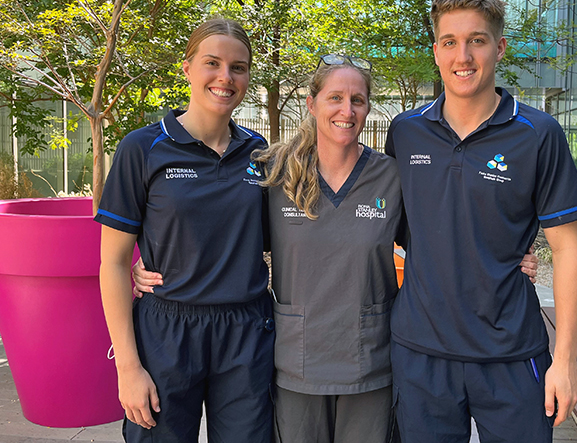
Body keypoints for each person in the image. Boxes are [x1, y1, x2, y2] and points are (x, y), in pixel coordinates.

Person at [133, 54, 540, 443]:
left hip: (371, 362)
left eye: (357, 100)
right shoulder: (275, 174)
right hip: (296, 363)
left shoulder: (391, 177)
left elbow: (437, 234)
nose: (346, 110)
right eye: (335, 98)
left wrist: (503, 254)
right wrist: (151, 266)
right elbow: (227, 232)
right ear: (311, 104)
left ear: (367, 110)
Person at [385, 0, 577, 443]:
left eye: (477, 40)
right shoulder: (406, 131)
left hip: (513, 354)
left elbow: (569, 249)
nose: (464, 55)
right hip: (422, 353)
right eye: (450, 41)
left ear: (498, 47)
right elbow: (401, 228)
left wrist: (565, 360)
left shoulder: (538, 133)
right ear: (436, 50)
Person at [96, 19, 274, 443]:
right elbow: (113, 263)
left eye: (239, 67)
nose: (225, 77)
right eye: (212, 63)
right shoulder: (142, 148)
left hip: (245, 332)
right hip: (167, 331)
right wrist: (128, 367)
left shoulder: (259, 151)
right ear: (187, 68)